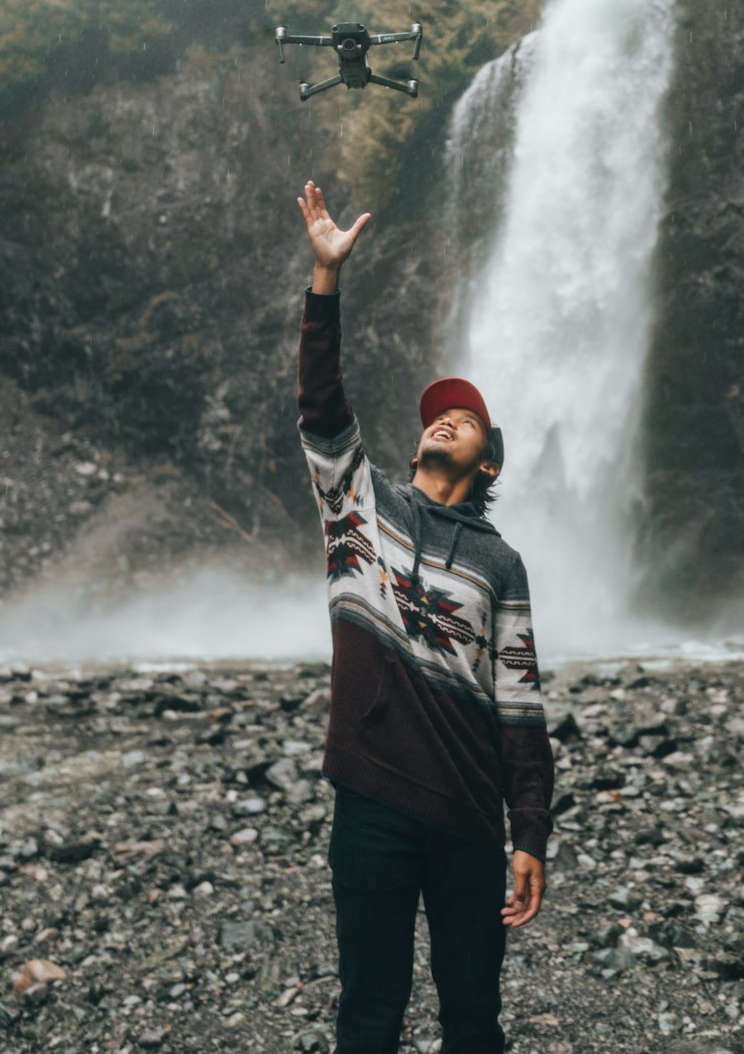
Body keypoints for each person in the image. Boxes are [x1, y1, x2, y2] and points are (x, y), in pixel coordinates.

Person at [295, 180, 554, 1054]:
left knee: (474, 1020)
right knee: (369, 1012)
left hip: (472, 817)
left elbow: (520, 702)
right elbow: (323, 404)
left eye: (468, 419)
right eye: (439, 414)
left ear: (489, 464)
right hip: (372, 796)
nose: (448, 416)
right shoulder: (358, 507)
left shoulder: (500, 564)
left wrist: (532, 835)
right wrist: (326, 280)